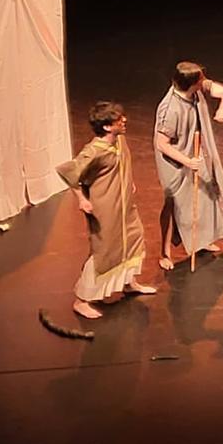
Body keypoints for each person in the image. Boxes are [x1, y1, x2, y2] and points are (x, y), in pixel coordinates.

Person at [57, 101, 156, 321]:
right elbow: (69, 173)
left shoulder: (119, 140)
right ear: (107, 127)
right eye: (118, 120)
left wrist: (128, 182)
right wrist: (82, 199)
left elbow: (121, 165)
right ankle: (81, 300)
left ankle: (128, 283)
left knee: (132, 239)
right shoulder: (93, 151)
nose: (124, 121)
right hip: (105, 206)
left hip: (124, 203)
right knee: (105, 250)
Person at [154, 62, 223, 270]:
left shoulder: (196, 89)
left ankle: (201, 240)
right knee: (173, 204)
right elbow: (161, 143)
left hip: (196, 152)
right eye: (201, 79)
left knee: (203, 196)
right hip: (175, 161)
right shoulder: (170, 109)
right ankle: (165, 252)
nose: (205, 81)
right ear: (192, 84)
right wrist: (187, 161)